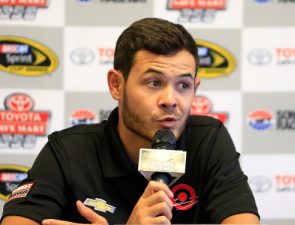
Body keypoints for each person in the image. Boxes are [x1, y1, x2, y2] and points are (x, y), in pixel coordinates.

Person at [0, 18, 260, 225]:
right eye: (154, 82)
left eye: (183, 85)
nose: (170, 100)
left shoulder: (208, 140)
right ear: (116, 84)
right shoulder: (69, 151)